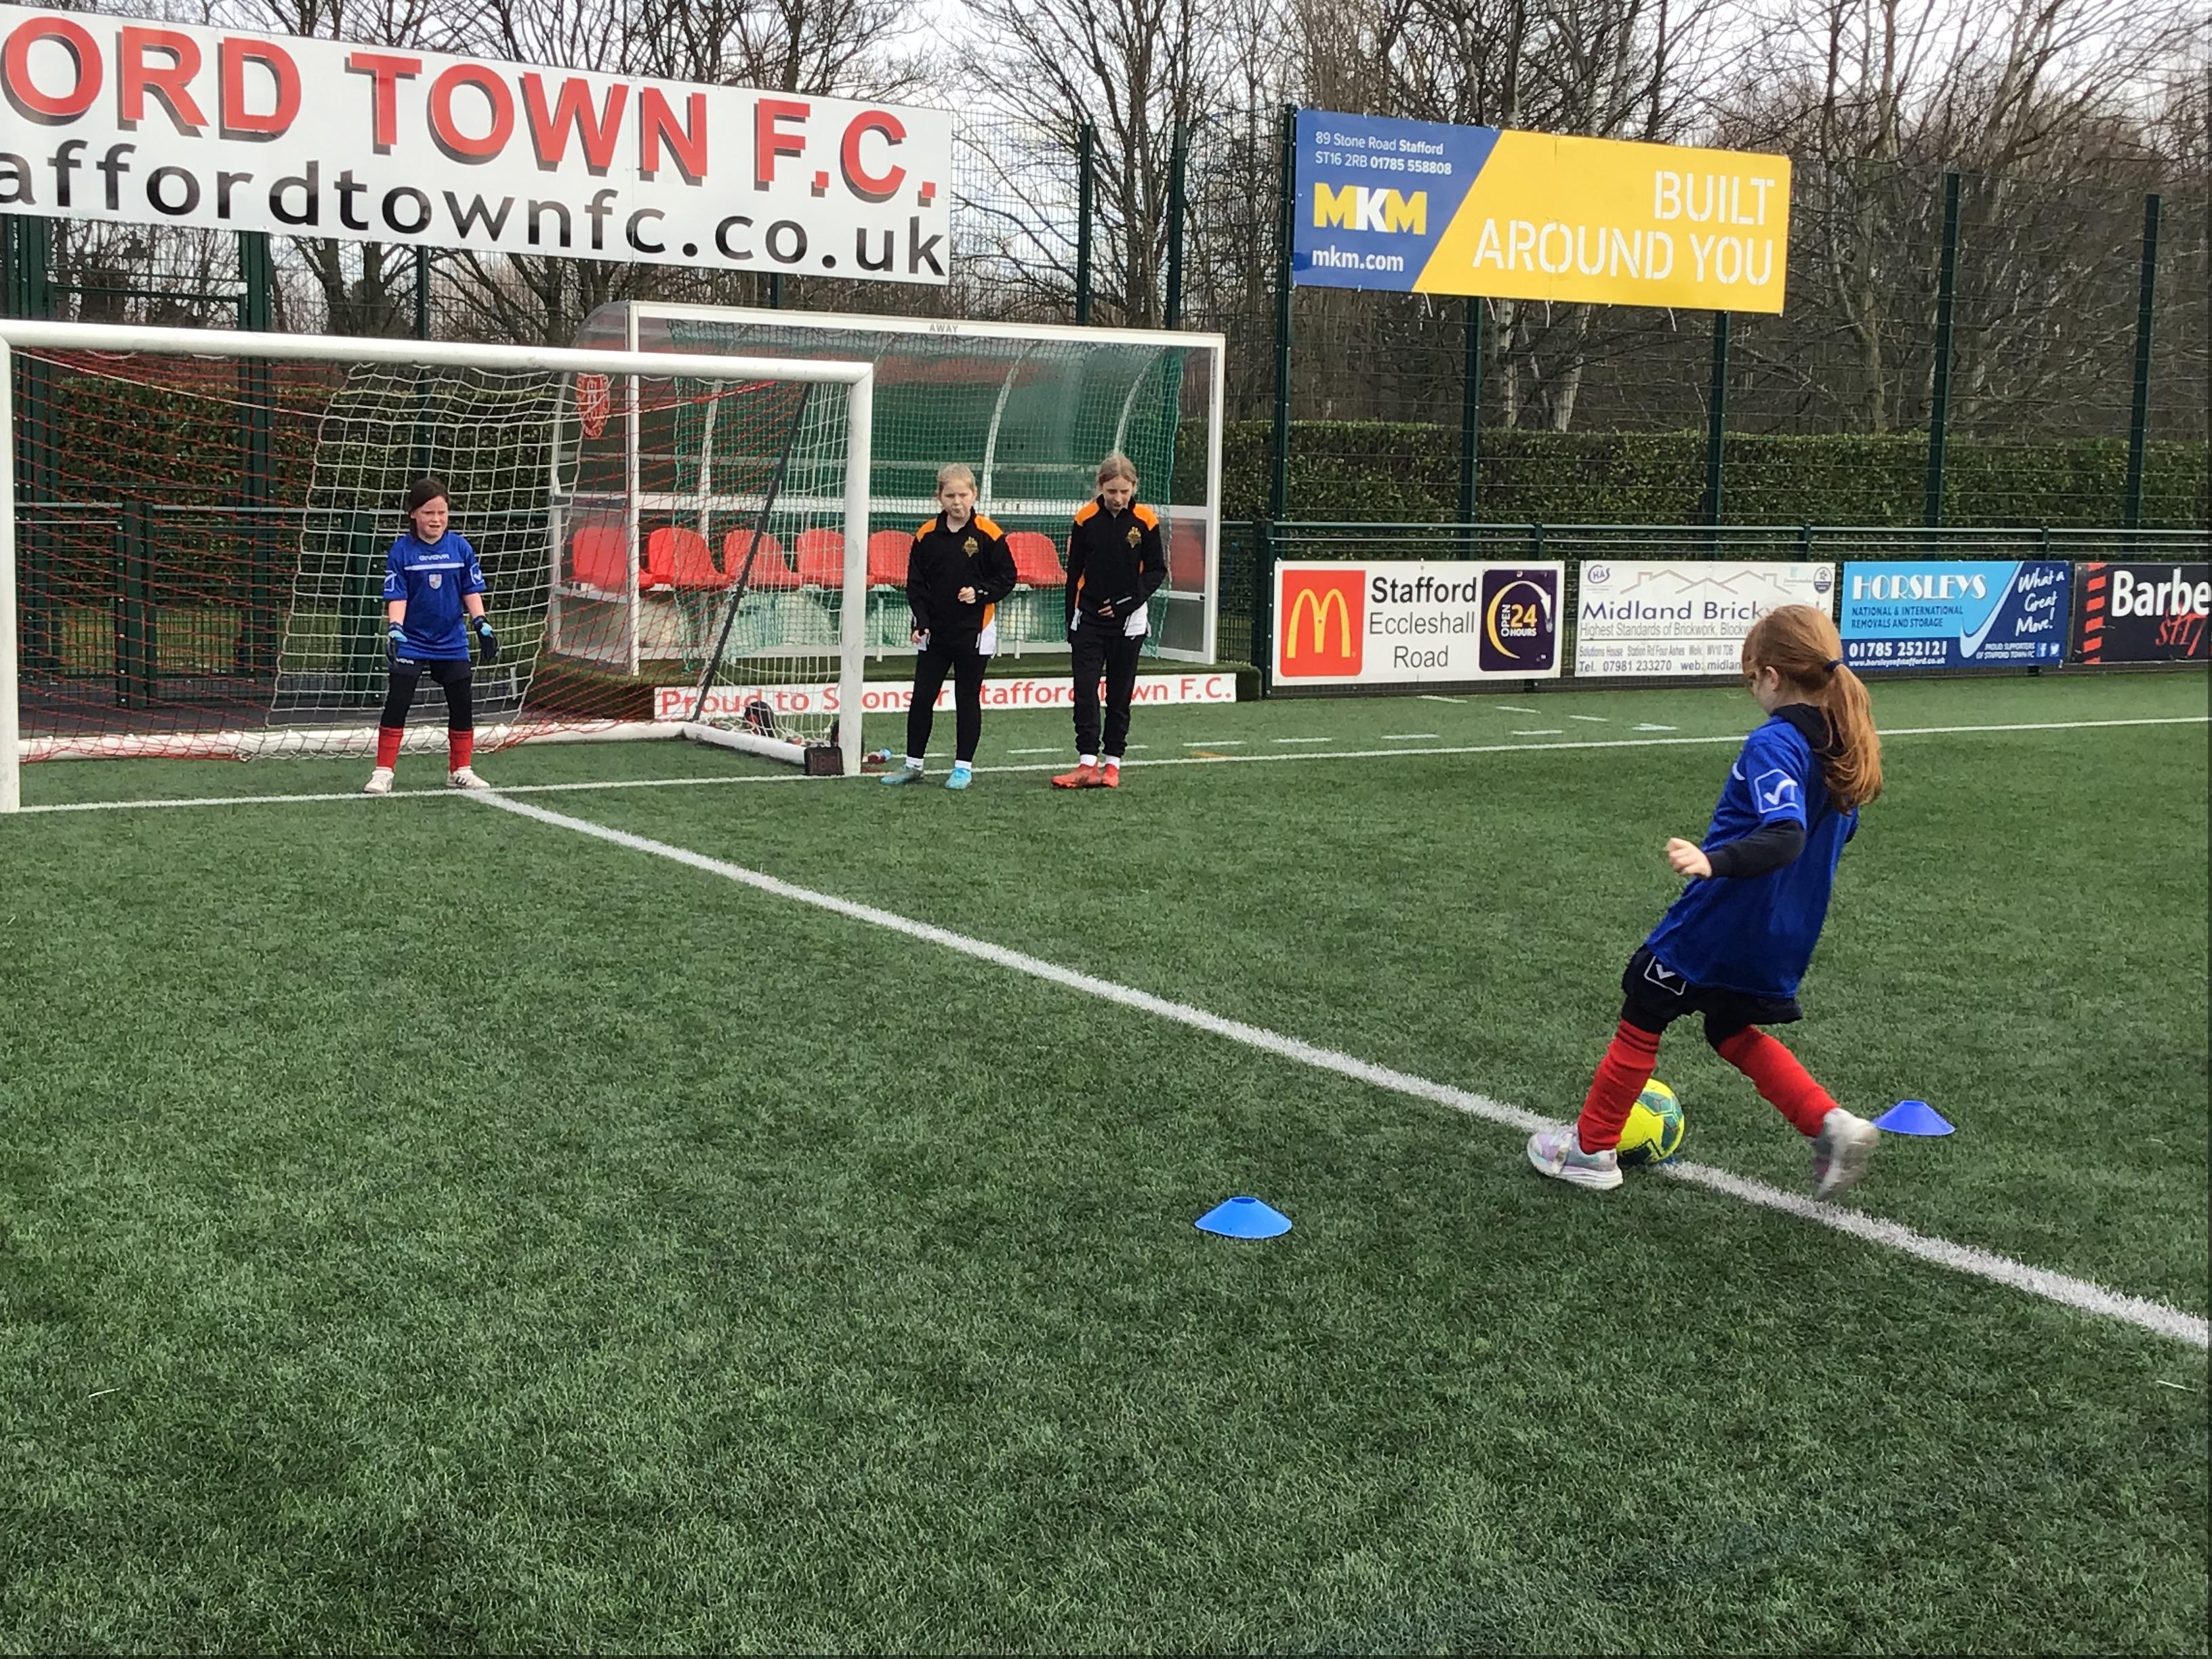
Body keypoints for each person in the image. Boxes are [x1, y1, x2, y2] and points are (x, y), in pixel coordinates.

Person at [1528, 604, 1885, 1199]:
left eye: (1751, 679)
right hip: (1784, 934)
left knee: (1645, 1001)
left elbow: (1787, 834)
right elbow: (1836, 836)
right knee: (1726, 1026)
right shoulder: (1843, 746)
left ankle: (1591, 1150)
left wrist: (1713, 861)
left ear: (1771, 676)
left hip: (1720, 921)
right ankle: (1830, 1124)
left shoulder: (1777, 741)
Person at [881, 463, 1017, 790]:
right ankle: (913, 765)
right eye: (950, 496)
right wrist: (921, 621)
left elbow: (1007, 578)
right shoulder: (926, 535)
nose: (957, 502)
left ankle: (963, 768)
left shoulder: (989, 533)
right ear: (939, 497)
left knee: (967, 698)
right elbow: (916, 585)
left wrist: (980, 593)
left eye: (963, 495)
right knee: (922, 697)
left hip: (975, 631)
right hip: (935, 633)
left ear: (974, 495)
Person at [363, 476, 499, 795]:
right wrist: (395, 629)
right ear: (413, 514)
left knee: (462, 702)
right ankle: (383, 772)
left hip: (452, 641)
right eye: (428, 513)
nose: (436, 519)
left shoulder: (460, 548)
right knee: (398, 701)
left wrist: (482, 623)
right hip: (411, 640)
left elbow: (470, 589)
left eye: (442, 512)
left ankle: (460, 770)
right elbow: (397, 595)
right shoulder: (401, 551)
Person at [1053, 453, 1168, 790]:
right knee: (1085, 690)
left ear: (1134, 488)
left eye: (1124, 491)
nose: (1118, 498)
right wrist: (1070, 621)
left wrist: (1126, 604)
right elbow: (1074, 572)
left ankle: (1113, 763)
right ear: (1100, 487)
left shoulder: (1146, 520)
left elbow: (1157, 571)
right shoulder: (1085, 519)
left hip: (1129, 622)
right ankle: (1087, 761)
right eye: (1111, 491)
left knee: (1119, 693)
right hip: (1088, 620)